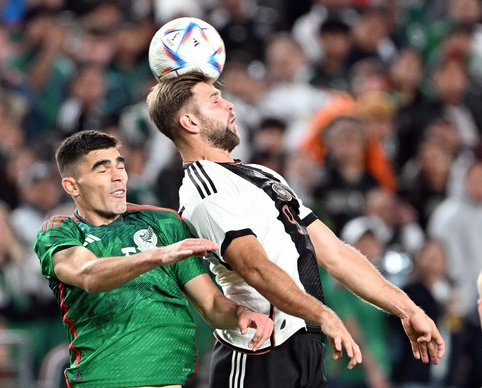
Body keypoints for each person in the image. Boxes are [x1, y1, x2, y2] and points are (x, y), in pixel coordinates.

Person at [146, 71, 445, 388]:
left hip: (304, 346)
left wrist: (407, 310)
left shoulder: (260, 173)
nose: (230, 105)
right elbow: (255, 269)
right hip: (258, 355)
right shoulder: (205, 192)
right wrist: (324, 315)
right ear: (190, 123)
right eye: (215, 101)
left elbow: (335, 254)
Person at [33, 130, 274, 387]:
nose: (118, 177)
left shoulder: (163, 223)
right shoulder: (60, 230)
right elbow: (88, 274)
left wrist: (240, 314)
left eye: (120, 166)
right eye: (103, 171)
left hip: (173, 380)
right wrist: (158, 255)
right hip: (103, 380)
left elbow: (211, 304)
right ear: (72, 186)